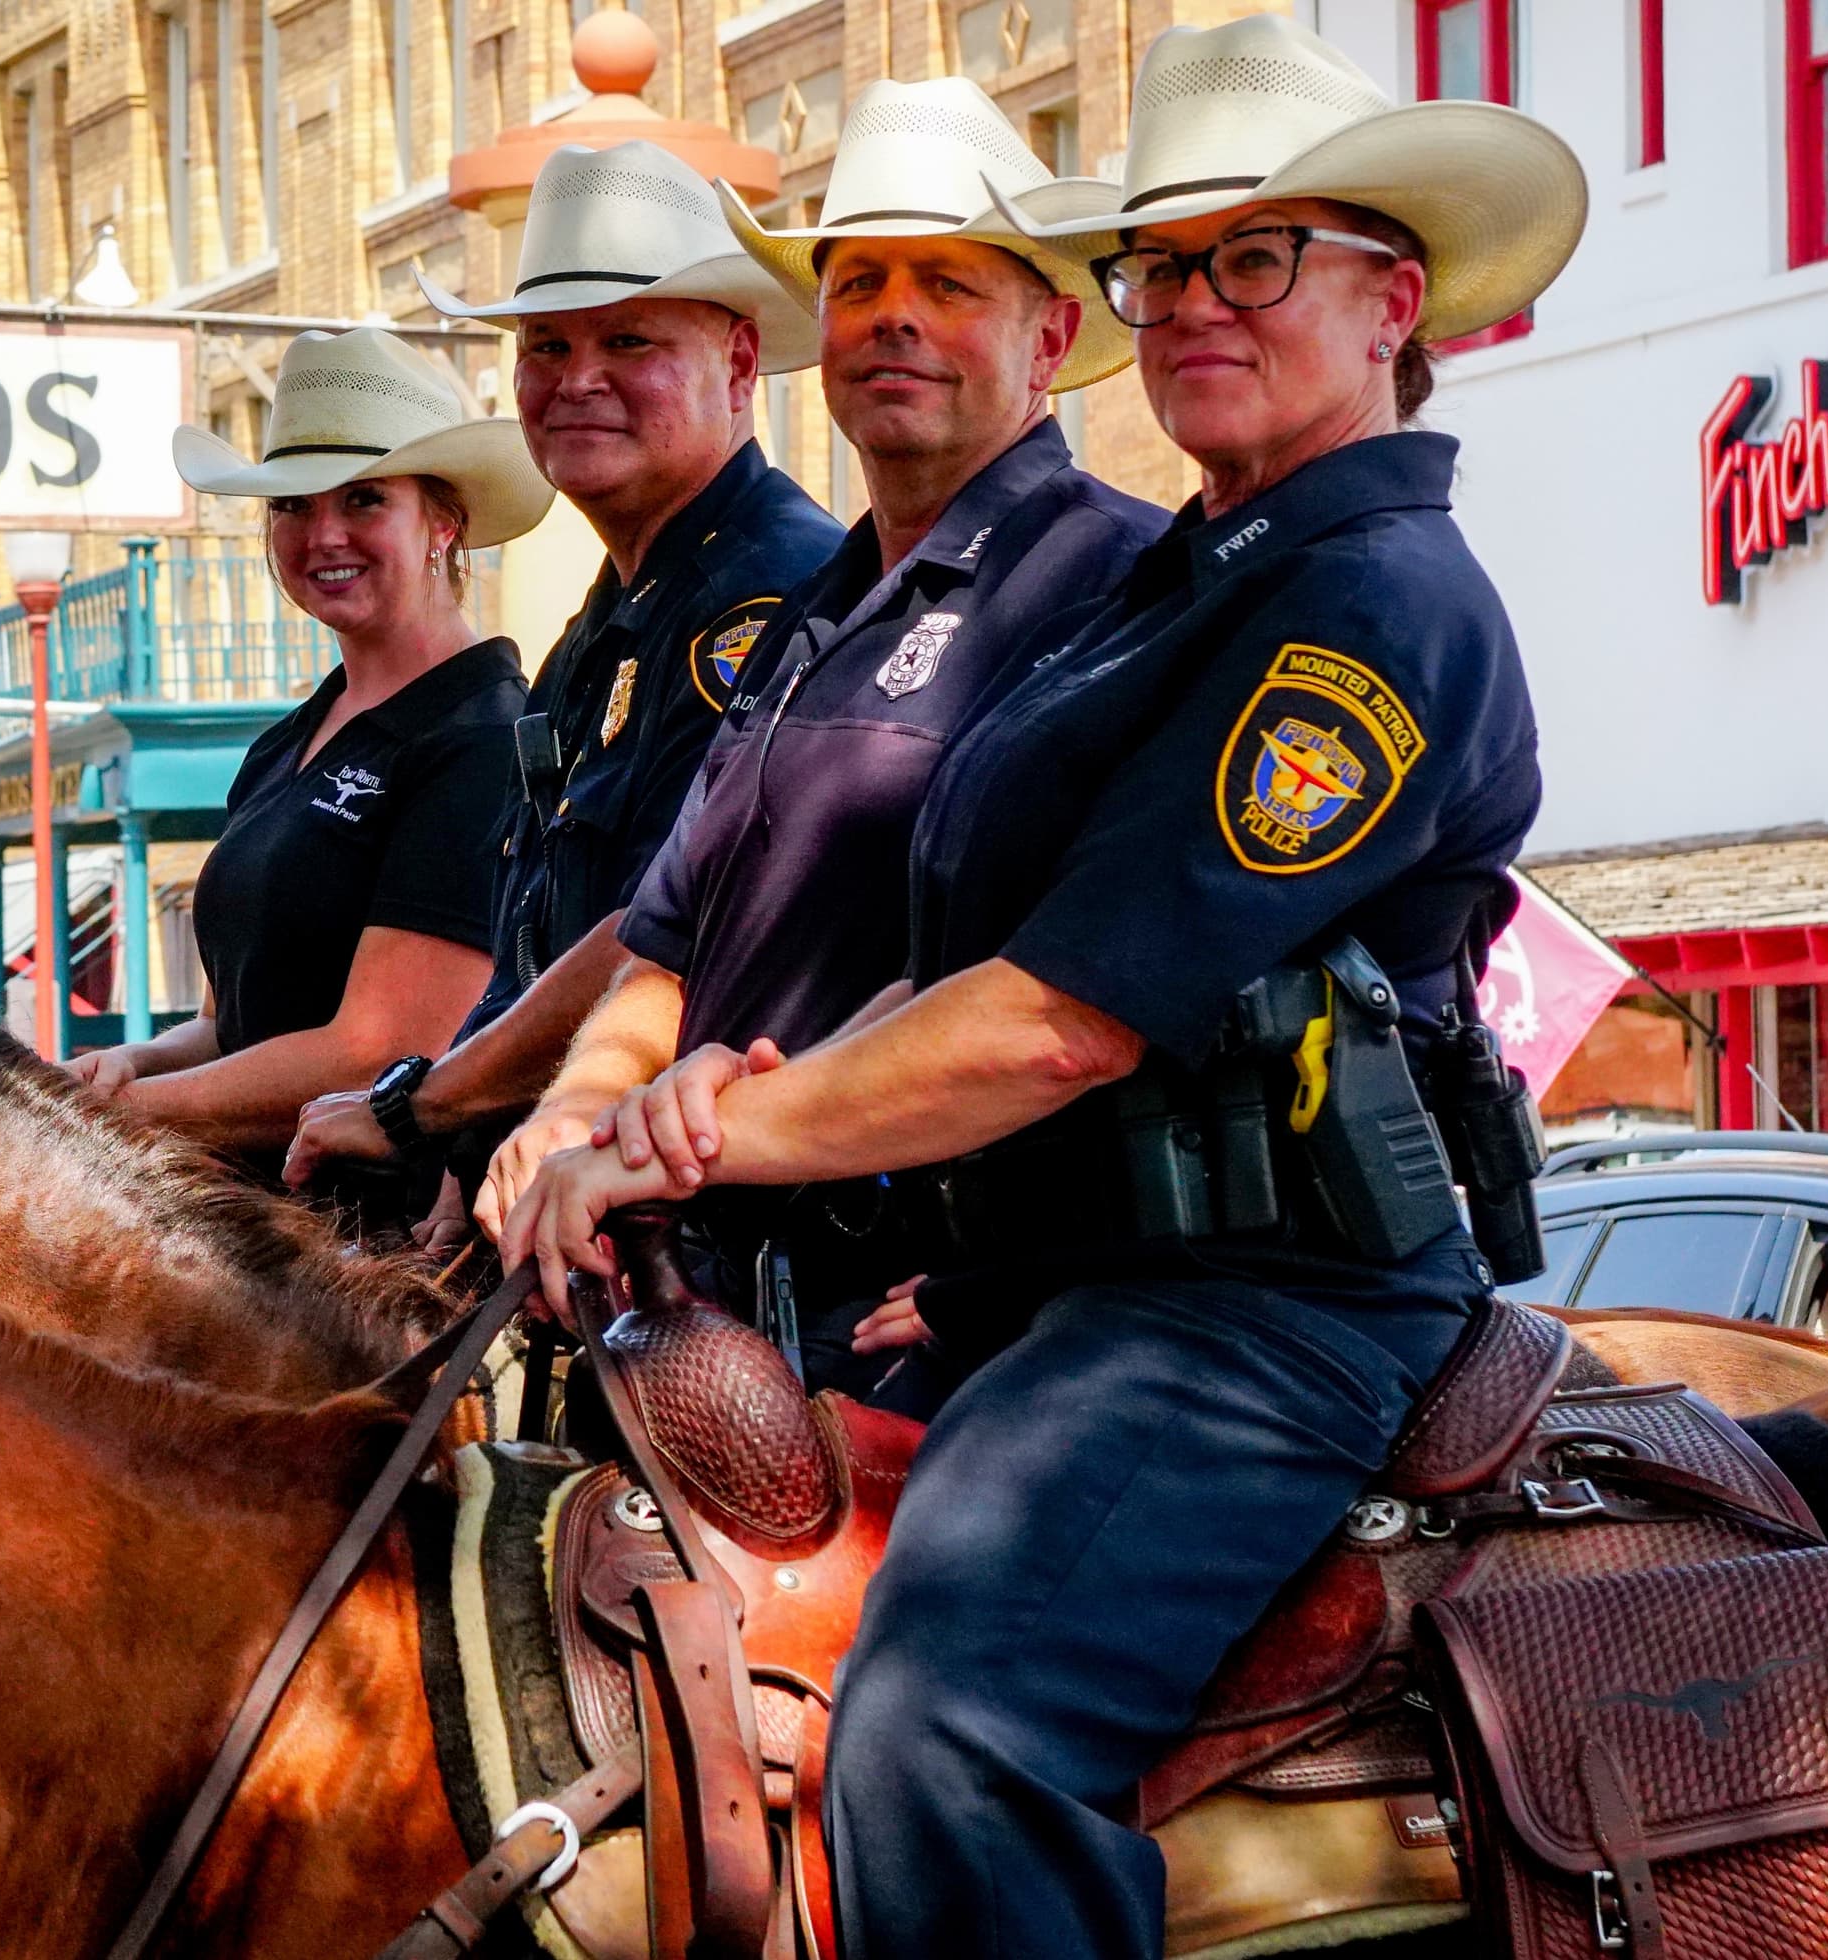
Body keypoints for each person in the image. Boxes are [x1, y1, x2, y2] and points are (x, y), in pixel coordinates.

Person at [500, 16, 1583, 1953]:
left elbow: (1062, 1012)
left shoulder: (1373, 604)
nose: (1190, 302)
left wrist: (702, 1130)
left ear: (1391, 298)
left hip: (1262, 1317)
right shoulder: (1202, 575)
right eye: (1162, 263)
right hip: (1070, 1290)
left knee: (946, 1730)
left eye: (1254, 259)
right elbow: (930, 971)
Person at [454, 80, 1165, 1407]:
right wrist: (570, 1109)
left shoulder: (1118, 580)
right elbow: (665, 943)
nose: (895, 315)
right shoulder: (816, 610)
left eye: (951, 285)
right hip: (731, 1292)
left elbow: (1074, 990)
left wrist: (1012, 1268)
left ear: (1053, 336)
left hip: (950, 1311)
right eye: (860, 284)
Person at [280, 139, 841, 1234]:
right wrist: (460, 1151)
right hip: (578, 1219)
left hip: (729, 1231)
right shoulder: (599, 631)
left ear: (738, 367)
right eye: (546, 345)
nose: (577, 379)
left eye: (628, 340)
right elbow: (534, 935)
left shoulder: (774, 592)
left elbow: (665, 922)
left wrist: (422, 1108)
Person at [63, 328, 552, 1215]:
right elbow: (235, 1025)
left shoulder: (483, 735)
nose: (323, 533)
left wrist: (113, 1117)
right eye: (291, 503)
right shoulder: (288, 740)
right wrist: (132, 1062)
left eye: (363, 500)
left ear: (444, 523)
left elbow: (384, 1050)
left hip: (377, 1270)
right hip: (254, 1250)